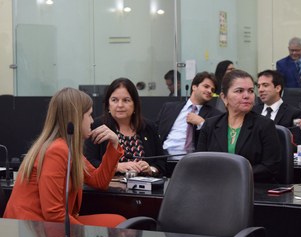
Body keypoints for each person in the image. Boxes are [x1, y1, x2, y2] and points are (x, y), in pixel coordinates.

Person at [4, 88, 126, 227]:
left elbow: (100, 181)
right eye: (90, 115)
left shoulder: (66, 148)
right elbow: (53, 213)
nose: (92, 121)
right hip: (33, 230)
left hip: (47, 225)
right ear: (76, 117)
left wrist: (114, 144)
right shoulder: (57, 150)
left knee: (119, 222)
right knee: (118, 227)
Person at [197, 69, 281, 183]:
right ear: (224, 97)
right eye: (239, 91)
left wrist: (235, 174)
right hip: (215, 187)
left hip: (252, 189)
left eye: (251, 91)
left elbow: (271, 167)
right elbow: (201, 163)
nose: (247, 96)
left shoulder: (265, 125)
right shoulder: (210, 125)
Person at [85, 78, 165, 177]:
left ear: (135, 104)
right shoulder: (97, 126)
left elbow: (161, 162)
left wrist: (150, 169)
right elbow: (88, 162)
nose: (120, 105)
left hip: (145, 189)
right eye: (114, 100)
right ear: (108, 104)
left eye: (126, 100)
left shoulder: (148, 127)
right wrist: (117, 166)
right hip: (108, 188)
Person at [156, 71, 222, 160]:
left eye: (212, 90)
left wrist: (202, 123)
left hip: (192, 163)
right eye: (206, 86)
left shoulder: (215, 115)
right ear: (194, 87)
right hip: (164, 158)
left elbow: (216, 141)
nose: (209, 91)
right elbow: (155, 132)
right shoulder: (169, 107)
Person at [253, 69, 301, 145]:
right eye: (258, 86)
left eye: (265, 85)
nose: (260, 90)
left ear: (278, 88)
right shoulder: (253, 111)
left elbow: (296, 144)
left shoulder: (293, 113)